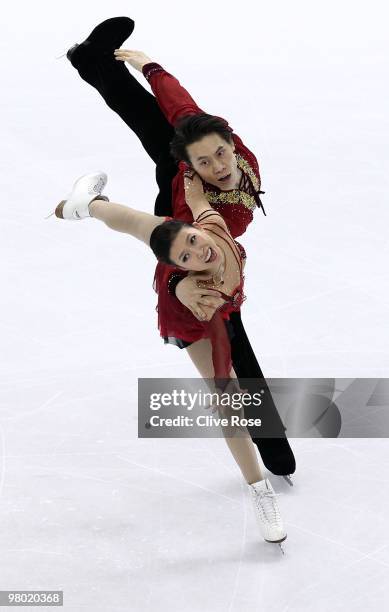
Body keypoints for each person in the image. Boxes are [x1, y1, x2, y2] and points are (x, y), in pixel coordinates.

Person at [64, 16, 295, 480]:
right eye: (205, 162)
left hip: (189, 190)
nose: (219, 166)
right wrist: (180, 290)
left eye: (221, 153)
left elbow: (181, 107)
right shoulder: (199, 209)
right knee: (232, 339)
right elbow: (177, 253)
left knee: (158, 121)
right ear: (189, 165)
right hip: (179, 212)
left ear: (232, 143)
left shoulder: (231, 152)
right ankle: (271, 446)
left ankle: (92, 64)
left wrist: (151, 67)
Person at [54, 170, 287, 548]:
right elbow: (209, 326)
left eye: (193, 240)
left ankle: (88, 204)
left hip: (174, 244)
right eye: (187, 256)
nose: (200, 252)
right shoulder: (198, 292)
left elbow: (196, 201)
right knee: (230, 403)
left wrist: (191, 172)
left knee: (135, 222)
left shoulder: (207, 225)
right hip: (194, 319)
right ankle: (261, 492)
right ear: (180, 265)